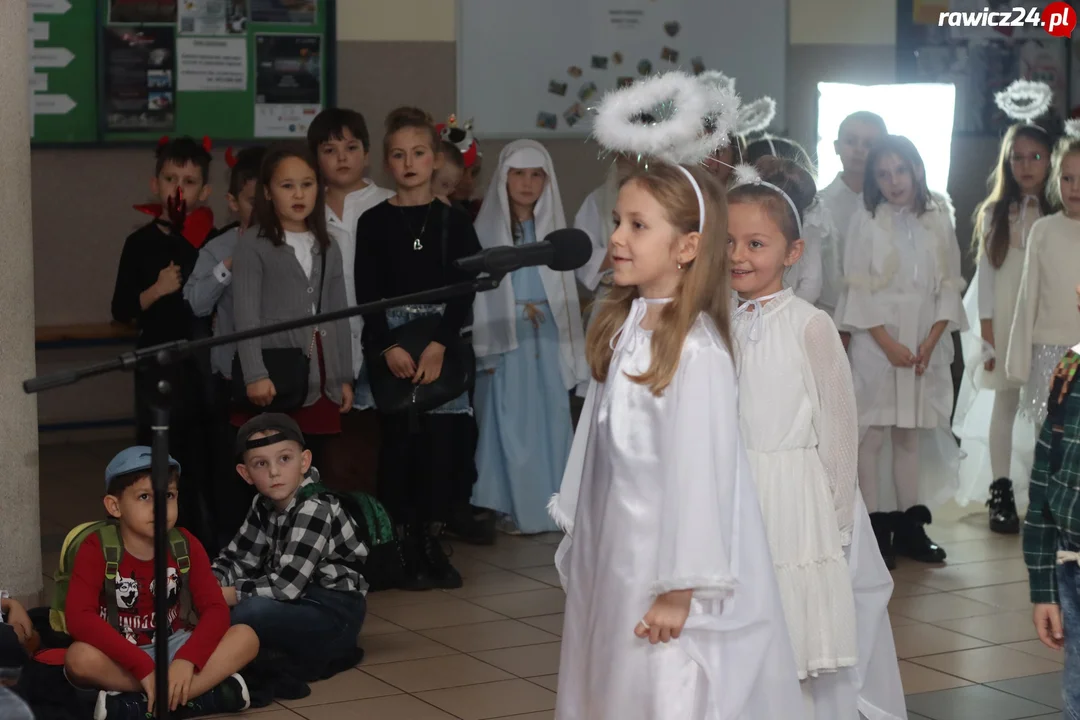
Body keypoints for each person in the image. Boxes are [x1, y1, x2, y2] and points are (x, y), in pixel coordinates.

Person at [549, 158, 804, 718]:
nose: (615, 238)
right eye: (618, 222)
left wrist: (679, 588)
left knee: (660, 682)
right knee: (609, 674)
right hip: (614, 548)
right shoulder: (623, 326)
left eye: (638, 226)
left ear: (687, 247)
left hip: (663, 562)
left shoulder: (697, 350)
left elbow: (702, 475)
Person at [728, 157, 906, 718]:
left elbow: (838, 419)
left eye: (756, 244)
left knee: (791, 626)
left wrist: (835, 511)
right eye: (729, 243)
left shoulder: (810, 323)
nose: (739, 256)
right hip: (741, 485)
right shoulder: (725, 321)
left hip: (793, 492)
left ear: (793, 252)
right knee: (746, 619)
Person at [354, 107, 483, 590]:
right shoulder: (374, 223)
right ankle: (401, 546)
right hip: (393, 349)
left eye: (419, 153)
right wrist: (386, 346)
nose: (409, 163)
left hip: (438, 347)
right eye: (399, 155)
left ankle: (431, 541)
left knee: (440, 450)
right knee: (399, 449)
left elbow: (463, 290)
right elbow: (366, 293)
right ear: (387, 163)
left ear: (434, 160)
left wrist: (438, 346)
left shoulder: (454, 222)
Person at [835, 135, 966, 568]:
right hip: (879, 343)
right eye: (883, 174)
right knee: (872, 435)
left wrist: (930, 341)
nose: (894, 182)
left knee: (908, 432)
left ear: (917, 170)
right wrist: (887, 343)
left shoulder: (937, 217)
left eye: (901, 171)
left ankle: (911, 526)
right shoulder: (866, 218)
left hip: (922, 343)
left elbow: (950, 285)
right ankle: (873, 530)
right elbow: (857, 288)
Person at [64, 447, 258, 719]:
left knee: (246, 638)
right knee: (78, 659)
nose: (159, 507)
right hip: (119, 653)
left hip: (175, 646)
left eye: (167, 496)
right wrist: (142, 666)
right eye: (144, 497)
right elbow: (79, 618)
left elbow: (215, 608)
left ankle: (144, 704)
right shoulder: (96, 547)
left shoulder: (185, 543)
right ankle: (199, 695)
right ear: (114, 506)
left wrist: (187, 660)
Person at [471, 140, 589, 534]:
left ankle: (554, 506)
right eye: (518, 174)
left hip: (547, 335)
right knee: (508, 418)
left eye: (535, 174)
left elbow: (565, 295)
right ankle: (513, 508)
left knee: (551, 417)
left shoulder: (554, 231)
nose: (527, 183)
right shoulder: (486, 231)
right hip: (507, 335)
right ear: (504, 179)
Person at [111, 136, 217, 548]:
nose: (179, 189)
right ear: (155, 184)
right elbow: (121, 308)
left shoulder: (209, 241)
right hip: (156, 365)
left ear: (204, 191)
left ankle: (201, 545)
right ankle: (152, 541)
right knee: (157, 456)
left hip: (201, 365)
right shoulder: (139, 244)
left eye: (189, 181)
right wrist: (156, 290)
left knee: (202, 461)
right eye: (171, 178)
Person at [214, 414, 368, 694]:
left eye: (284, 459)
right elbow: (238, 557)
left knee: (249, 610)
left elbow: (286, 587)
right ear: (245, 473)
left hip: (333, 609)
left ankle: (319, 651)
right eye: (261, 464)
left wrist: (223, 596)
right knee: (230, 608)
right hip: (299, 602)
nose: (274, 472)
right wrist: (208, 584)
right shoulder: (262, 503)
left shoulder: (315, 507)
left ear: (304, 461)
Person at [953, 121, 1053, 532]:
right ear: (1006, 162)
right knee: (1005, 405)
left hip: (1046, 321)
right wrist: (989, 336)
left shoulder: (1059, 214)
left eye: (1035, 157)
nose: (1026, 166)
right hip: (1007, 324)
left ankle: (1048, 491)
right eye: (1017, 157)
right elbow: (989, 280)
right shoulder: (996, 213)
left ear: (1050, 161)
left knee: (1049, 409)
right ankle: (1001, 491)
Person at [231, 142, 354, 472]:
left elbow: (338, 314)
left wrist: (344, 377)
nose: (299, 194)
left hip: (322, 375)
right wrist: (256, 374)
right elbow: (245, 317)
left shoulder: (328, 245)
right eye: (287, 186)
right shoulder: (253, 245)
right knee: (274, 466)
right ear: (268, 193)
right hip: (277, 375)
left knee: (316, 466)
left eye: (307, 184)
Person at [306, 107, 395, 496]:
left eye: (351, 147)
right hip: (326, 348)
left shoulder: (390, 203)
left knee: (379, 449)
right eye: (329, 149)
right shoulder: (307, 208)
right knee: (334, 455)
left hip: (383, 343)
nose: (342, 157)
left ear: (368, 154)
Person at [184, 145, 267, 548]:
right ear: (233, 203)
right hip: (229, 380)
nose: (265, 208)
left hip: (283, 377)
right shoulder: (220, 247)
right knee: (231, 472)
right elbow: (196, 301)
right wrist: (229, 266)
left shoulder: (299, 245)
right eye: (254, 200)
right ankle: (229, 550)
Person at [1006, 134, 1080, 442]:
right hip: (1051, 356)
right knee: (1052, 446)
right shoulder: (1043, 231)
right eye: (1067, 178)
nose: (1075, 188)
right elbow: (1027, 300)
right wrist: (1019, 363)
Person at [803, 111, 889, 330]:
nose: (859, 150)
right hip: (829, 317)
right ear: (836, 146)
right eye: (851, 141)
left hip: (883, 322)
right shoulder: (817, 204)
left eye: (869, 143)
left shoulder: (892, 205)